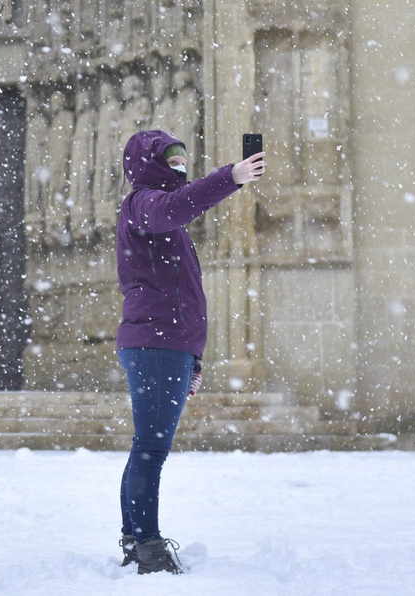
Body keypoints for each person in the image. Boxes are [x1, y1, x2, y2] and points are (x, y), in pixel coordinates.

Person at [114, 129, 265, 574]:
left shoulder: (161, 216)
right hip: (156, 344)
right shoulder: (145, 203)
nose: (180, 166)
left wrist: (193, 357)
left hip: (165, 345)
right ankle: (148, 545)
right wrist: (231, 177)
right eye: (171, 159)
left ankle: (135, 538)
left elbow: (183, 295)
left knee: (145, 447)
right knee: (151, 449)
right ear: (149, 164)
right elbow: (174, 207)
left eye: (182, 158)